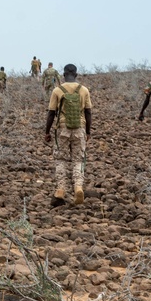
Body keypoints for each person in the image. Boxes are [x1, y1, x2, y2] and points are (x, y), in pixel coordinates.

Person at [44, 64, 92, 206]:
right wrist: (88, 132)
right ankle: (78, 186)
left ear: (64, 75)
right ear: (76, 75)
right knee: (78, 159)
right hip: (80, 128)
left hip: (63, 129)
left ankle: (61, 189)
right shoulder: (84, 90)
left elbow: (51, 113)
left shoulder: (58, 90)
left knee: (61, 159)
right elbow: (88, 112)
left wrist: (47, 132)